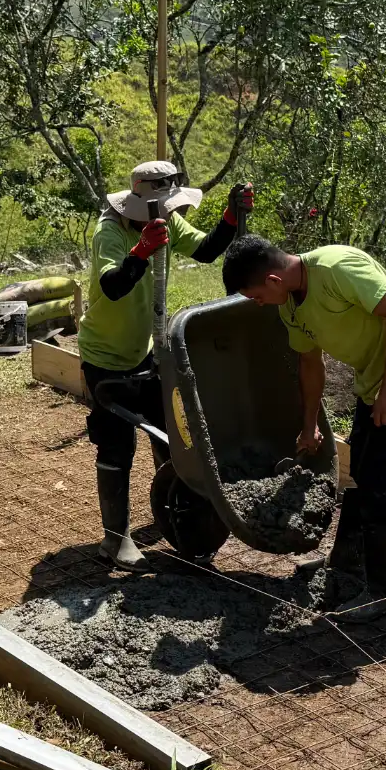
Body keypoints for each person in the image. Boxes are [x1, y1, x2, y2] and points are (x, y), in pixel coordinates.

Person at [222, 234, 386, 620]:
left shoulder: (337, 267)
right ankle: (347, 566)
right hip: (374, 385)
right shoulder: (289, 307)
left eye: (255, 295)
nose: (257, 303)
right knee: (363, 476)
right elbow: (310, 363)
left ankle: (384, 594)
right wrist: (309, 425)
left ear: (273, 280)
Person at [80, 160, 253, 567]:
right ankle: (115, 539)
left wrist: (231, 216)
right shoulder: (111, 230)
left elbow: (208, 250)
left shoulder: (168, 222)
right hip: (105, 356)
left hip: (148, 351)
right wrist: (141, 251)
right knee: (117, 442)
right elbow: (113, 286)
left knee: (171, 433)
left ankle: (177, 513)